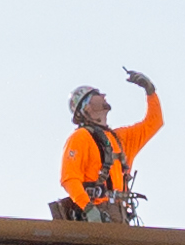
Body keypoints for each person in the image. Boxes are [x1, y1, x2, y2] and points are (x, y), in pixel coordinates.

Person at [55, 70, 165, 225]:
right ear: (86, 107)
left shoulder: (120, 139)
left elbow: (154, 122)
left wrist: (150, 91)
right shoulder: (80, 137)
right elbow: (69, 178)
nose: (103, 95)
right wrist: (89, 209)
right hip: (97, 214)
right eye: (96, 94)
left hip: (120, 215)